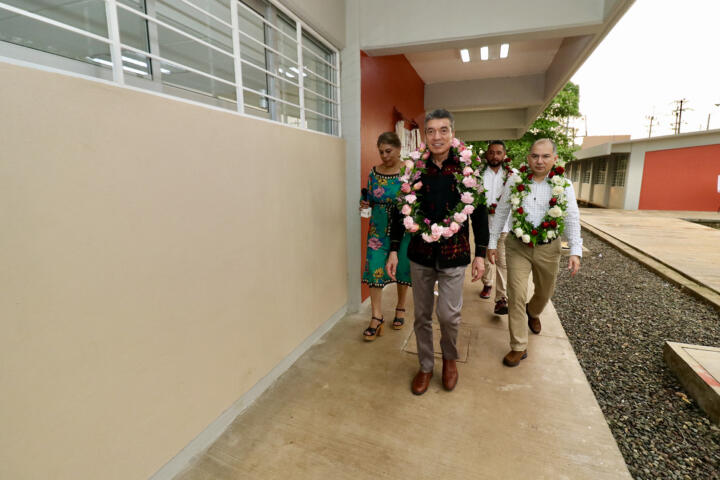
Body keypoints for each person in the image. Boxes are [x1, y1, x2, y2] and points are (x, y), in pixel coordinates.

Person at [387, 109, 488, 395]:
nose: (437, 136)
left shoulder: (468, 169)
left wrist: (480, 253)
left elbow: (478, 214)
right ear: (425, 136)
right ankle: (426, 365)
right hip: (420, 254)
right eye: (430, 131)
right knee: (421, 316)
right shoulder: (415, 168)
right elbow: (400, 211)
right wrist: (394, 250)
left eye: (443, 130)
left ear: (452, 133)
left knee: (448, 315)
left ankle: (450, 359)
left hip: (454, 254)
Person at [487, 138, 582, 367]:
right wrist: (491, 243)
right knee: (516, 294)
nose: (539, 161)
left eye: (545, 156)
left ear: (554, 159)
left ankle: (534, 311)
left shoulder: (564, 185)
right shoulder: (514, 181)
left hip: (549, 248)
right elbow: (501, 213)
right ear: (528, 157)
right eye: (535, 156)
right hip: (517, 246)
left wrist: (575, 251)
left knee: (545, 291)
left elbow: (571, 218)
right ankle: (518, 346)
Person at [360, 132, 412, 341]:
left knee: (401, 269)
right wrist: (365, 203)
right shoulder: (374, 173)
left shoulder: (409, 171)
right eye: (381, 151)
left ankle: (400, 307)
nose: (384, 155)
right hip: (378, 229)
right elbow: (370, 198)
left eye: (388, 151)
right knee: (374, 269)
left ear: (399, 150)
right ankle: (377, 317)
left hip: (403, 228)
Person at [479, 140, 513, 316]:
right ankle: (487, 283)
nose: (495, 156)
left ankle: (501, 298)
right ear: (487, 154)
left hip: (503, 226)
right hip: (483, 224)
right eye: (491, 152)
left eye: (498, 152)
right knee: (486, 259)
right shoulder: (478, 174)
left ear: (504, 155)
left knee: (502, 261)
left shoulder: (511, 176)